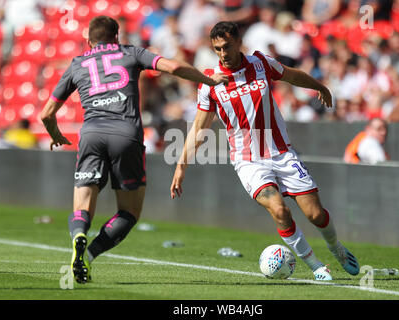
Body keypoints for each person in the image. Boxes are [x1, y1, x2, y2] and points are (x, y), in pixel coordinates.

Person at [40, 15, 227, 284]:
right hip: (126, 134)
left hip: (91, 134)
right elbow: (173, 66)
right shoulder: (131, 52)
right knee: (129, 212)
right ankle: (89, 256)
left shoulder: (78, 63)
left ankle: (78, 236)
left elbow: (47, 114)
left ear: (87, 40)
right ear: (117, 36)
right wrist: (208, 81)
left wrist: (56, 135)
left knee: (82, 204)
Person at [170, 21, 360, 281]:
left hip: (282, 153)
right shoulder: (209, 82)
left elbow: (293, 75)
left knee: (315, 214)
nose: (223, 53)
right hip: (249, 161)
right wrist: (181, 166)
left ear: (238, 42)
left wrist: (320, 86)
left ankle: (336, 247)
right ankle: (316, 266)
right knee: (279, 210)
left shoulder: (260, 63)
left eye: (226, 46)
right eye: (217, 49)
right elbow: (199, 129)